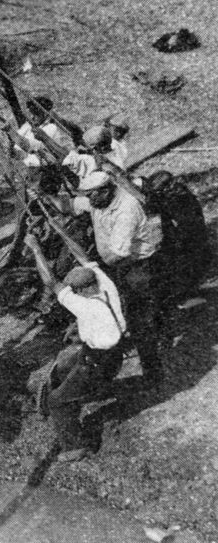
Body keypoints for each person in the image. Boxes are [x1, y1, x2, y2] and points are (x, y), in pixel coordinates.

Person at [24, 234, 126, 462]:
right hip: (111, 353)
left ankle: (76, 447)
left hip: (98, 363)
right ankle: (64, 398)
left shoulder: (85, 306)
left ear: (82, 291)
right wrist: (56, 228)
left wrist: (35, 248)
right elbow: (83, 256)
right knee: (60, 370)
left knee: (56, 401)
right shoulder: (105, 284)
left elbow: (51, 282)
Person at [74, 170, 164, 383]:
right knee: (134, 310)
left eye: (91, 195)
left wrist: (95, 269)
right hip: (120, 264)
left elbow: (116, 255)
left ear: (105, 191)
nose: (89, 199)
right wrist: (47, 198)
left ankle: (153, 372)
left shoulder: (126, 210)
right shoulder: (100, 201)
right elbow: (72, 204)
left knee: (139, 319)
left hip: (138, 268)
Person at [144, 170, 210, 303]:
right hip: (182, 235)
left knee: (186, 264)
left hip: (189, 237)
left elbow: (187, 226)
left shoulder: (180, 198)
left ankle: (189, 294)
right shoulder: (172, 195)